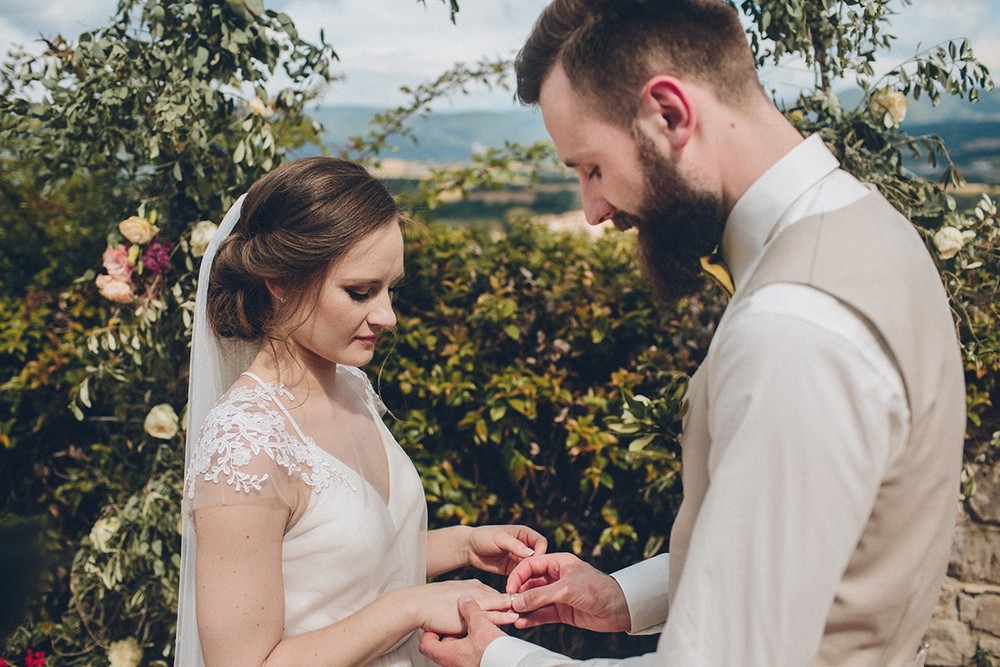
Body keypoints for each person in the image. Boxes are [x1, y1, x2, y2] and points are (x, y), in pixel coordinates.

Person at [418, 1, 965, 665]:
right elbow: (793, 550)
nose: (593, 210)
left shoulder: (793, 324)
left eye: (591, 167)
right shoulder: (866, 227)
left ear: (669, 114)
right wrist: (625, 596)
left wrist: (502, 659)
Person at [174, 157, 547, 667]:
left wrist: (463, 544)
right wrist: (412, 606)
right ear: (280, 280)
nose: (387, 316)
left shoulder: (351, 385)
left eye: (391, 288)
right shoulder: (244, 445)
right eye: (360, 292)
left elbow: (340, 558)